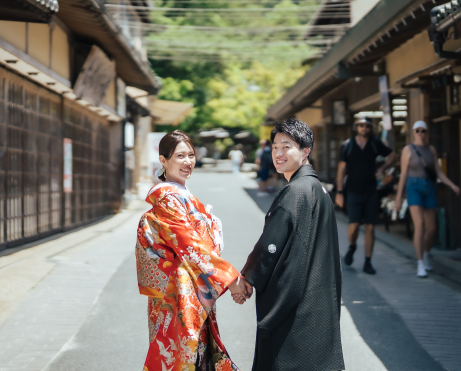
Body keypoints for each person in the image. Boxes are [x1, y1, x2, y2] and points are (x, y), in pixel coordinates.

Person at [237, 118, 345, 371]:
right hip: (317, 297)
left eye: (287, 147)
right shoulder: (316, 188)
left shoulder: (296, 191)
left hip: (298, 305)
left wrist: (247, 278)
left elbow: (270, 245)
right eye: (275, 147)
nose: (279, 153)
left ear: (305, 151)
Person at [137, 131, 250, 370]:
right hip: (178, 294)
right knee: (185, 356)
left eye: (191, 155)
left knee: (198, 355)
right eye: (180, 156)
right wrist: (231, 280)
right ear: (164, 160)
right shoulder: (168, 198)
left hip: (192, 288)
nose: (188, 162)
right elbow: (189, 245)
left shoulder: (182, 196)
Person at [394, 120, 460, 278]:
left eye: (423, 130)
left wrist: (452, 185)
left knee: (431, 228)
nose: (420, 133)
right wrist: (398, 198)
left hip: (430, 187)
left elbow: (438, 171)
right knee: (420, 225)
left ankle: (427, 253)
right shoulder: (408, 149)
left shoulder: (431, 149)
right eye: (417, 130)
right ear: (413, 132)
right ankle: (420, 263)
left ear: (426, 132)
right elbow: (403, 174)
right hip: (413, 187)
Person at [335, 116, 397, 274]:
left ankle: (368, 262)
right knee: (354, 225)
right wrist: (340, 192)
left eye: (367, 126)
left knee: (370, 227)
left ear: (370, 128)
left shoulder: (375, 144)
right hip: (353, 190)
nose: (364, 128)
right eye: (361, 125)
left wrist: (381, 169)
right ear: (357, 127)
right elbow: (341, 170)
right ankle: (352, 246)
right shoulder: (347, 145)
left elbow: (393, 156)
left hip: (371, 191)